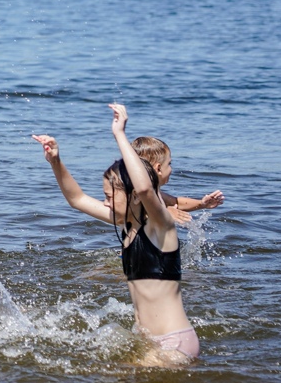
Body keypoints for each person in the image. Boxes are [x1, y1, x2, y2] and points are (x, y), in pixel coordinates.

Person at [33, 105, 199, 365]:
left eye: (110, 197)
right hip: (148, 340)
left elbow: (145, 188)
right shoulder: (125, 223)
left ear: (132, 196)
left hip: (173, 342)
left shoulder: (160, 226)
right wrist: (56, 160)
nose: (105, 202)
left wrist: (119, 134)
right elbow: (76, 199)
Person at [132, 135, 224, 225]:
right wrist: (165, 212)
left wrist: (202, 204)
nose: (171, 168)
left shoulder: (154, 191)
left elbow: (175, 202)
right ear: (158, 169)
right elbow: (136, 211)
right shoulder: (137, 193)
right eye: (169, 163)